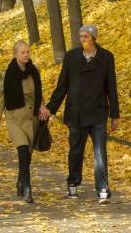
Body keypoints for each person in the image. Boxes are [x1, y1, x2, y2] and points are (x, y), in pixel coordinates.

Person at [41, 25, 120, 204]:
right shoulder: (71, 57)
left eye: (86, 36)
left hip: (98, 112)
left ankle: (102, 189)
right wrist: (50, 108)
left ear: (94, 38)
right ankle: (72, 186)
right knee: (76, 151)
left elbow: (112, 88)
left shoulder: (106, 57)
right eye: (80, 36)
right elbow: (62, 86)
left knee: (100, 152)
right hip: (76, 113)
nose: (82, 39)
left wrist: (115, 115)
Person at [0, 40, 48, 203]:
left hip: (32, 119)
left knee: (27, 157)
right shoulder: (9, 74)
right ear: (15, 54)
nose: (26, 55)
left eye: (28, 52)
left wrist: (42, 106)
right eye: (23, 52)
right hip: (14, 118)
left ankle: (20, 181)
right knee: (22, 151)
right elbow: (2, 98)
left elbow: (39, 93)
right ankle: (28, 190)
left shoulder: (34, 71)